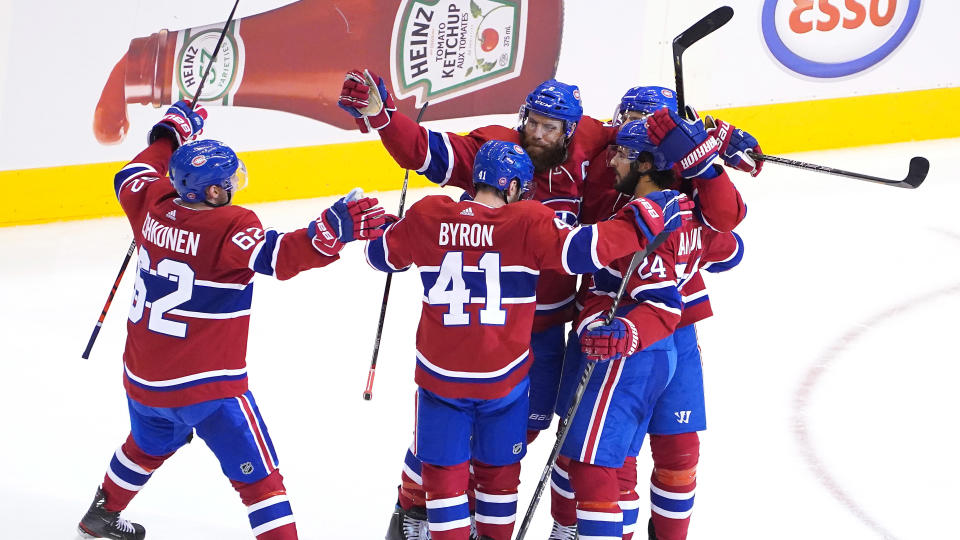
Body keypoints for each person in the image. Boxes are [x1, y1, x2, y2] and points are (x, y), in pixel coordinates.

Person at [76, 101, 386, 540]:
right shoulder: (227, 225)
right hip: (208, 388)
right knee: (260, 482)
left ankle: (102, 513)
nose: (235, 185)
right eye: (229, 181)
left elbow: (129, 175)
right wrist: (332, 230)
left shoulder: (153, 201)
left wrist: (169, 134)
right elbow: (279, 257)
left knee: (146, 444)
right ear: (215, 193)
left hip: (144, 378)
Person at [338, 70, 617, 537]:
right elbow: (424, 150)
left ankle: (455, 512)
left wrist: (699, 146)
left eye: (551, 128)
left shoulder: (591, 143)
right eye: (533, 122)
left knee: (515, 434)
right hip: (477, 326)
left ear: (570, 130)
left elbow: (638, 140)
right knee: (444, 436)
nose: (538, 134)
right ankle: (414, 508)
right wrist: (383, 118)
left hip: (544, 329)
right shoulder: (495, 152)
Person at [362, 140, 679, 540]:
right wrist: (638, 222)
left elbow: (380, 256)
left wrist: (387, 226)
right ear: (512, 187)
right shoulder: (528, 220)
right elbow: (583, 253)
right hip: (503, 384)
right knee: (498, 484)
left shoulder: (428, 215)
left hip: (439, 383)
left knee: (443, 487)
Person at [550, 87, 757, 540]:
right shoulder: (604, 157)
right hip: (607, 310)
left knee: (679, 449)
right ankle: (567, 528)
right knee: (593, 450)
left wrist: (712, 153)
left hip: (669, 322)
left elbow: (727, 231)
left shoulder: (675, 165)